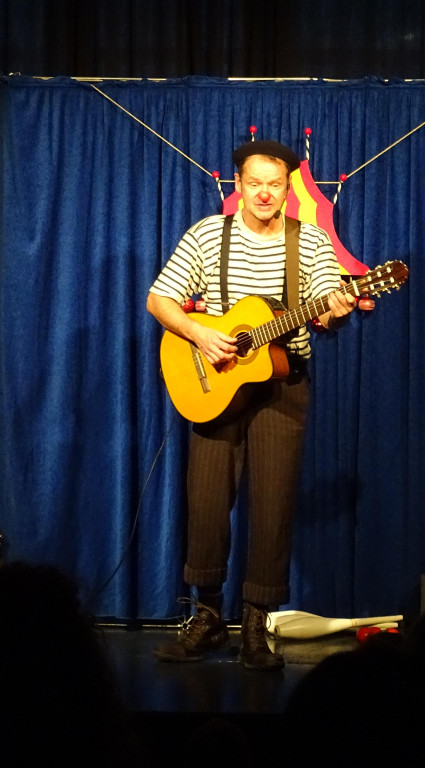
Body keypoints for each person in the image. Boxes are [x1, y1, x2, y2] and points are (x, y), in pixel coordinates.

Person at [146, 139, 358, 670]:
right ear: (238, 184)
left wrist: (336, 308)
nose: (265, 193)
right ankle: (207, 617)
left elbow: (326, 310)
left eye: (275, 184)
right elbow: (159, 298)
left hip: (282, 386)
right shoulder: (206, 234)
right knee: (206, 500)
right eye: (256, 183)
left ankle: (257, 624)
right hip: (215, 383)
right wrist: (199, 334)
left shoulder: (310, 241)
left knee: (272, 502)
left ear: (288, 189)